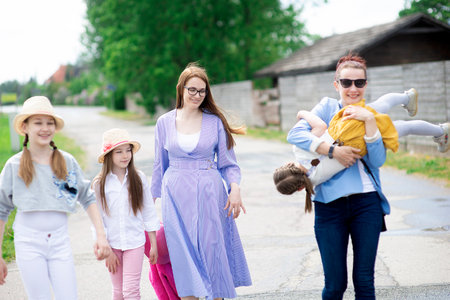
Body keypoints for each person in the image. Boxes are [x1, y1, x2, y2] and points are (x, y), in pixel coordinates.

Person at [285, 53, 425, 299]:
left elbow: (378, 161)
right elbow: (295, 135)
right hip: (329, 208)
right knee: (335, 284)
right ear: (336, 84)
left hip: (366, 205)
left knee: (364, 281)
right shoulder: (327, 107)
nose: (353, 88)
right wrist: (332, 150)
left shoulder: (371, 114)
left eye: (359, 83)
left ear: (366, 85)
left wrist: (369, 122)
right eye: (346, 82)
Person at [151, 63, 252, 300]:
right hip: (175, 196)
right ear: (181, 89)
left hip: (209, 193)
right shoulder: (164, 122)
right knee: (182, 255)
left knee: (211, 250)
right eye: (192, 90)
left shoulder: (214, 122)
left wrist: (234, 188)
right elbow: (159, 165)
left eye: (202, 91)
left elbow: (228, 163)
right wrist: (147, 206)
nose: (197, 95)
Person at [0, 96, 110, 299]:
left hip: (60, 242)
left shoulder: (67, 162)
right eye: (38, 123)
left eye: (49, 123)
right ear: (25, 127)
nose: (45, 128)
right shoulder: (14, 166)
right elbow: (1, 209)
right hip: (28, 243)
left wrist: (101, 236)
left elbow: (87, 197)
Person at [275, 88, 449, 199]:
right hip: (348, 125)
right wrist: (303, 113)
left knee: (404, 127)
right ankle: (406, 97)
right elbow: (320, 125)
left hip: (361, 144)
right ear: (288, 164)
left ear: (299, 189)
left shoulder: (315, 182)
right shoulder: (300, 149)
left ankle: (441, 132)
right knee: (381, 105)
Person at [92, 128, 160, 299]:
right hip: (112, 245)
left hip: (135, 243)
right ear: (109, 156)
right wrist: (106, 250)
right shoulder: (100, 183)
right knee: (118, 291)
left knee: (131, 290)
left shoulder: (138, 178)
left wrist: (153, 243)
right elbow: (97, 219)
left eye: (128, 150)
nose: (125, 156)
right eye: (119, 152)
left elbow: (149, 212)